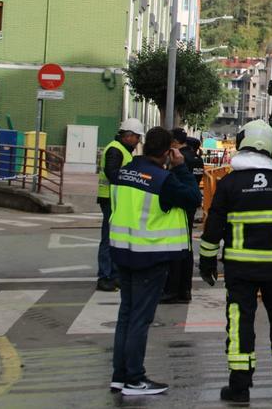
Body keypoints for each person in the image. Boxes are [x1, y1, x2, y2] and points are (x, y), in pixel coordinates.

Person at [199, 119, 272, 403]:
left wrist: (207, 262)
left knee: (239, 322)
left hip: (239, 270)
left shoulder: (230, 183)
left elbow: (213, 227)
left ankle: (239, 387)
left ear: (242, 142)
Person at [108, 126, 201, 396]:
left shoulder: (123, 173)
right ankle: (135, 379)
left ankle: (120, 375)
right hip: (149, 256)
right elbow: (193, 198)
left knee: (126, 315)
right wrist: (181, 167)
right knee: (140, 318)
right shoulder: (162, 179)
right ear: (167, 151)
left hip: (122, 251)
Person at [97, 118, 145, 292]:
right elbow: (113, 174)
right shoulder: (116, 150)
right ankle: (105, 276)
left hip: (115, 199)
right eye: (137, 137)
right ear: (128, 135)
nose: (138, 140)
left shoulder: (122, 149)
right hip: (111, 199)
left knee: (116, 238)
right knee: (109, 238)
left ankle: (113, 275)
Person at [161, 128, 204, 304]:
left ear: (174, 142)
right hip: (191, 202)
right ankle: (185, 289)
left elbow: (173, 181)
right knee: (187, 248)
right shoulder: (197, 158)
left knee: (176, 250)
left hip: (180, 204)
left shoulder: (179, 158)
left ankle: (173, 289)